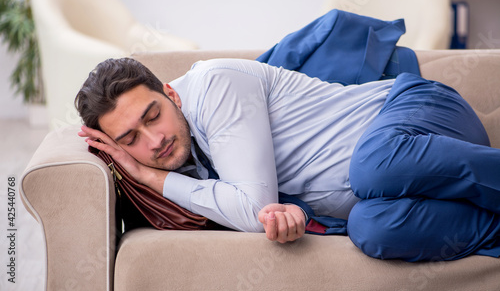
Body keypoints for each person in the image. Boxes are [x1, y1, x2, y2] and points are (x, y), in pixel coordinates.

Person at [75, 57, 500, 262]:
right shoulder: (187, 164)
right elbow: (264, 215)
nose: (155, 140)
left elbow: (252, 207)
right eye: (131, 139)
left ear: (171, 93)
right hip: (396, 189)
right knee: (371, 229)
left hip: (419, 113)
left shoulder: (214, 86)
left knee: (371, 167)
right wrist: (141, 176)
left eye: (154, 116)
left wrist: (151, 177)